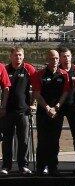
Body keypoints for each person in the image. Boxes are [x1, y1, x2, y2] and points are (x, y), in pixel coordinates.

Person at [32, 49, 70, 175]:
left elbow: (65, 93)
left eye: (56, 58)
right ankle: (40, 167)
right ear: (47, 59)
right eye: (52, 58)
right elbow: (37, 93)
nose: (54, 61)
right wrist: (47, 108)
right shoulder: (40, 74)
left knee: (54, 141)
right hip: (43, 112)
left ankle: (53, 167)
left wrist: (57, 107)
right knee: (42, 140)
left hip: (57, 113)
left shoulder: (64, 75)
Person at [1, 47, 36, 175]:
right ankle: (6, 166)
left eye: (20, 55)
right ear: (11, 56)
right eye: (15, 55)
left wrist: (32, 104)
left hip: (23, 111)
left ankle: (23, 166)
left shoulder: (28, 69)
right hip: (7, 111)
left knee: (23, 140)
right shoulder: (5, 69)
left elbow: (36, 87)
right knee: (7, 140)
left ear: (23, 56)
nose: (18, 57)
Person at [58, 47, 75, 174]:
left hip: (74, 108)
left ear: (71, 56)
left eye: (68, 56)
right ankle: (52, 165)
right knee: (54, 137)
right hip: (58, 108)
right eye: (63, 56)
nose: (66, 58)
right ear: (60, 58)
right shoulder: (56, 71)